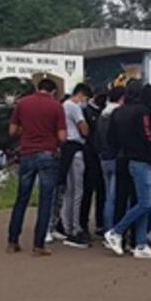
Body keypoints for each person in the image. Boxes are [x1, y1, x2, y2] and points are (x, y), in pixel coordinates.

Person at [102, 82, 151, 260]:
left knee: (124, 200)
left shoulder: (117, 112)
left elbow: (110, 139)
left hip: (123, 159)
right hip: (142, 159)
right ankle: (117, 232)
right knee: (145, 202)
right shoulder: (143, 111)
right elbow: (149, 135)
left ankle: (140, 243)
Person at [6, 75, 67, 256]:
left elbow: (12, 131)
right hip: (48, 154)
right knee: (45, 200)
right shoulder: (56, 106)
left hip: (26, 154)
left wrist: (26, 132)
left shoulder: (22, 103)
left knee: (21, 198)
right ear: (53, 91)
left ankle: (12, 241)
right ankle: (38, 245)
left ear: (37, 88)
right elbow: (63, 137)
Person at [58, 83, 93, 249]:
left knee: (68, 191)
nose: (85, 102)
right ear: (81, 95)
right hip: (76, 149)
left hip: (66, 150)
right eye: (86, 99)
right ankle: (75, 228)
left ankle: (66, 226)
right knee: (78, 191)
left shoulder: (63, 105)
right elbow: (84, 129)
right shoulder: (74, 107)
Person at [97, 86, 124, 232]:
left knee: (108, 196)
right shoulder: (117, 114)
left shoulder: (103, 114)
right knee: (115, 197)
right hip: (115, 158)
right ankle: (112, 229)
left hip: (104, 157)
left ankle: (107, 227)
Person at [80, 90, 107, 236]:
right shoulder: (85, 111)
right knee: (87, 191)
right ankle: (83, 223)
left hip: (101, 156)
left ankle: (100, 223)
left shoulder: (104, 112)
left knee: (102, 191)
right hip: (89, 155)